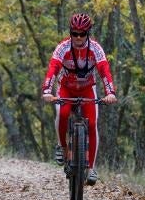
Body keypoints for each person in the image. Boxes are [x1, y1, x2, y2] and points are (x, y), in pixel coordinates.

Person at [41, 12, 116, 186]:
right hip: (66, 88)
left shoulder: (96, 48)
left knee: (91, 123)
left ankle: (91, 168)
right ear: (70, 33)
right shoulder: (63, 48)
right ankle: (62, 146)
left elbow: (105, 71)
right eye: (75, 33)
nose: (78, 37)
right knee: (63, 113)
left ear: (88, 34)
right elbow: (53, 69)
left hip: (88, 89)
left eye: (82, 34)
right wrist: (47, 91)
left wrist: (110, 92)